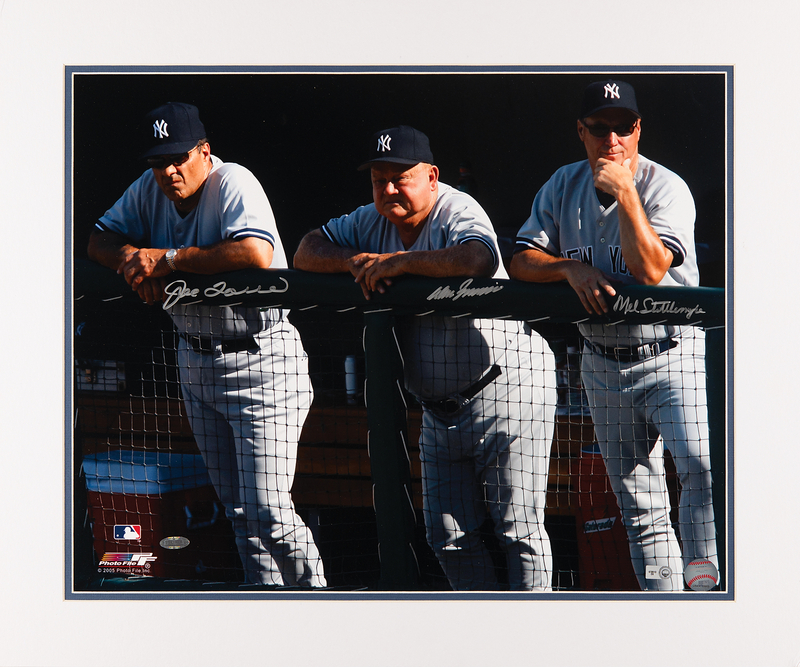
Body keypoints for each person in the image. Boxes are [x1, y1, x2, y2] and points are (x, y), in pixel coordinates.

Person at [294, 125, 557, 591]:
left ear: (432, 177)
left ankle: (531, 630)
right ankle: (484, 628)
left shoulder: (456, 208)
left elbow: (476, 260)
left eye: (401, 177)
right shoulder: (371, 221)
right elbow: (305, 251)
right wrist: (351, 260)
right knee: (447, 537)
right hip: (439, 412)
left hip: (508, 389)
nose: (389, 189)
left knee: (518, 532)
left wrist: (398, 263)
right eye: (379, 180)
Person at [87, 102, 326, 588]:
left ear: (204, 151)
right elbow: (98, 239)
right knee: (238, 514)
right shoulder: (149, 187)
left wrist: (167, 260)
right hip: (196, 360)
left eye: (178, 158)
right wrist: (134, 259)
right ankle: (267, 607)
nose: (168, 171)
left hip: (261, 360)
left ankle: (318, 603)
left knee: (269, 513)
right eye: (159, 161)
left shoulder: (233, 181)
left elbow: (254, 251)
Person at [509, 80, 717, 591]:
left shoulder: (665, 187)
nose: (612, 139)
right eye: (600, 128)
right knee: (639, 505)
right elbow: (520, 260)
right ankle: (666, 602)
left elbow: (649, 269)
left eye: (623, 127)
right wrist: (566, 268)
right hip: (602, 361)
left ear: (638, 129)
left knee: (702, 473)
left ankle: (705, 591)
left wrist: (626, 192)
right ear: (581, 132)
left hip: (670, 353)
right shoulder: (562, 185)